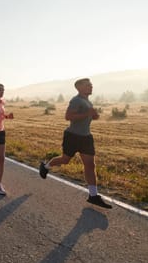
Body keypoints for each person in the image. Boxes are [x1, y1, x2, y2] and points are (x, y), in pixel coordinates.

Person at [39, 78, 112, 209]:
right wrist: (87, 113)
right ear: (79, 88)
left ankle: (93, 196)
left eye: (91, 85)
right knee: (65, 160)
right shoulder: (76, 100)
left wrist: (94, 115)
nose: (91, 87)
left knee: (90, 164)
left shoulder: (87, 101)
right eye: (88, 85)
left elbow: (92, 117)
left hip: (86, 137)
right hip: (72, 136)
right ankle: (46, 166)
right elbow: (68, 116)